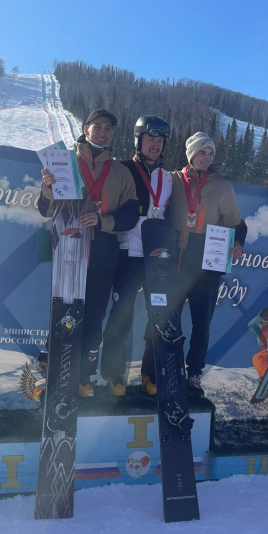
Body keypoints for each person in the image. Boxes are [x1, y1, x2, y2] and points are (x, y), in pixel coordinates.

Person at [38, 109, 139, 398]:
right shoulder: (64, 162)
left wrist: (103, 221)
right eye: (98, 126)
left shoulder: (121, 172)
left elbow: (131, 215)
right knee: (63, 313)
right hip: (68, 250)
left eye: (108, 128)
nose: (103, 132)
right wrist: (47, 188)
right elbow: (44, 210)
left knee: (93, 317)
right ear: (86, 128)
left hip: (103, 255)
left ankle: (84, 376)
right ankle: (56, 373)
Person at [142, 131, 247, 399]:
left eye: (210, 153)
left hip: (206, 265)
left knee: (202, 323)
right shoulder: (173, 180)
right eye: (201, 152)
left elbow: (236, 223)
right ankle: (156, 370)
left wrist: (239, 243)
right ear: (191, 154)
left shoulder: (222, 186)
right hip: (174, 263)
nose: (207, 157)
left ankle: (194, 374)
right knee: (164, 319)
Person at [101, 115, 172, 396]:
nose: (155, 145)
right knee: (121, 315)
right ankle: (113, 373)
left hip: (156, 257)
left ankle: (150, 373)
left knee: (158, 316)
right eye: (150, 139)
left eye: (160, 140)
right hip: (127, 252)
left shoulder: (168, 178)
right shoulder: (122, 169)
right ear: (138, 140)